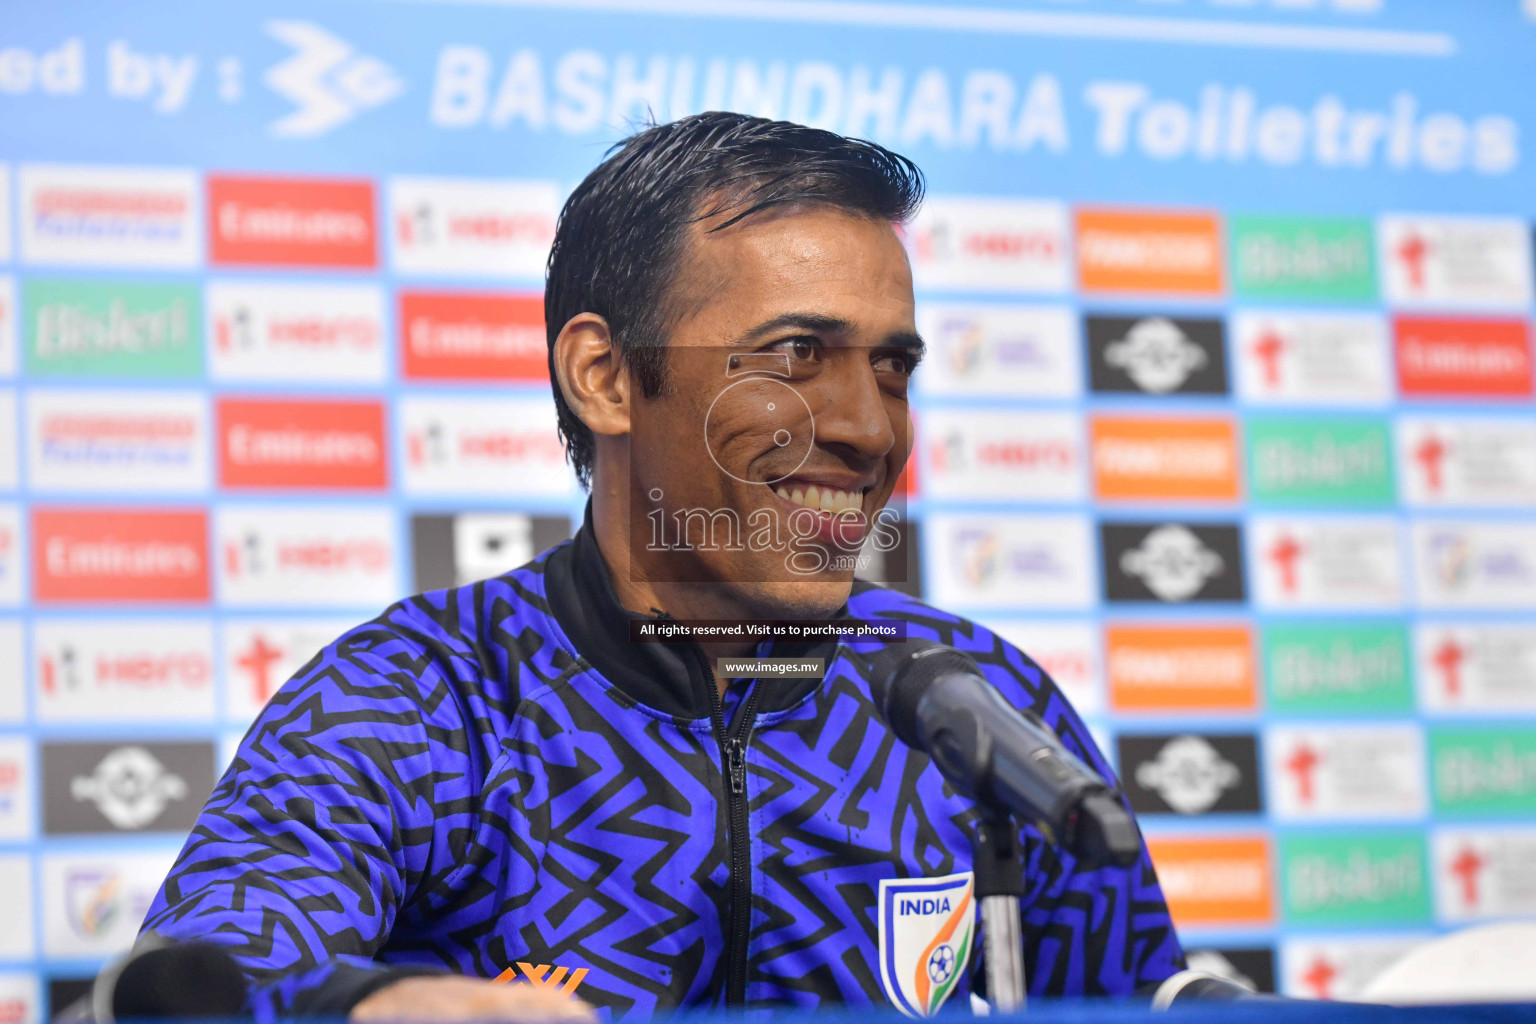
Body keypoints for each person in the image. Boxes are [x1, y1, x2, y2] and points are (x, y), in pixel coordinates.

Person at [143, 113, 1185, 1022]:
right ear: (604, 376)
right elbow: (199, 978)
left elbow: (1143, 1003)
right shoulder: (423, 692)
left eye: (892, 366)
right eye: (793, 356)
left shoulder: (977, 700)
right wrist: (368, 1002)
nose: (871, 429)